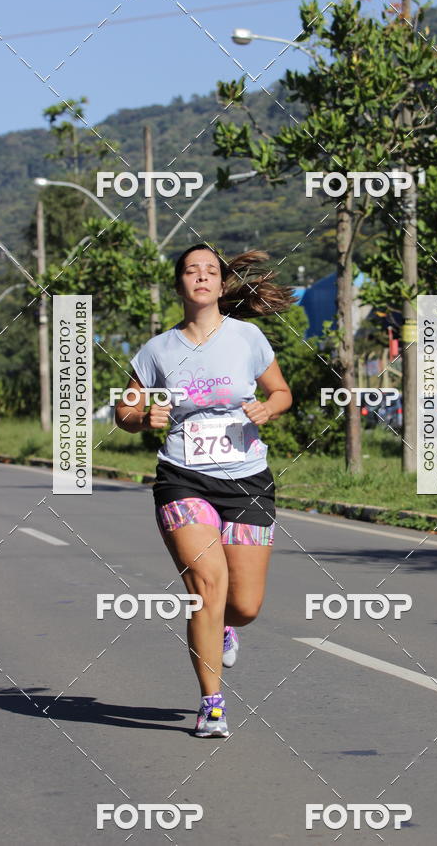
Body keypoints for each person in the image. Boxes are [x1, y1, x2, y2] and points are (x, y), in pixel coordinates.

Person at [115, 244, 294, 737]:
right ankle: (211, 703)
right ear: (179, 286)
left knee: (244, 605)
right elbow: (125, 413)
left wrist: (268, 409)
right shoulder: (157, 351)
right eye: (191, 271)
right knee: (207, 589)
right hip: (182, 478)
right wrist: (142, 417)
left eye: (210, 271)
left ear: (220, 284)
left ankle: (226, 627)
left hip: (248, 481)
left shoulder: (248, 337)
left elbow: (282, 392)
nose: (201, 277)